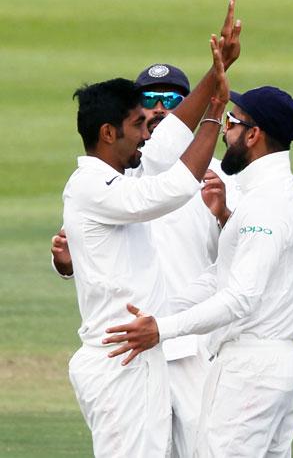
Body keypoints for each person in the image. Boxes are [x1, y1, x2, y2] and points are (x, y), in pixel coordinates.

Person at [103, 86, 293, 457]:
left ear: (253, 134)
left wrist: (161, 329)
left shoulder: (267, 204)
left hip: (252, 369)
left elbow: (240, 297)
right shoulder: (274, 193)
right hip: (269, 366)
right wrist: (161, 310)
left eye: (230, 122)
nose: (223, 131)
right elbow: (220, 275)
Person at [51, 59, 240, 457]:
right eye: (138, 124)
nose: (146, 135)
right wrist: (215, 112)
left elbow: (170, 138)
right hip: (120, 357)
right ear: (107, 133)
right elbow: (172, 188)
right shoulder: (94, 185)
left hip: (151, 350)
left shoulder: (119, 174)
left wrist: (215, 74)